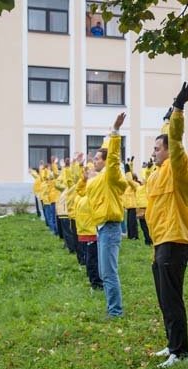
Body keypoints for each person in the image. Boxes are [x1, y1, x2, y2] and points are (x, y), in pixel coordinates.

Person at [145, 81, 188, 368]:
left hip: (175, 240)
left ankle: (180, 352)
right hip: (160, 242)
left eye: (157, 148)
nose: (153, 152)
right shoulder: (156, 174)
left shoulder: (178, 170)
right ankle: (172, 345)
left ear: (168, 151)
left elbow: (175, 142)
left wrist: (177, 109)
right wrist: (167, 115)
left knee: (173, 299)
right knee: (164, 299)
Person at [85, 112, 128, 318]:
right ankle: (113, 309)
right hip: (101, 227)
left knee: (109, 273)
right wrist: (107, 137)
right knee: (104, 273)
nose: (93, 161)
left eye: (96, 159)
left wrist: (115, 132)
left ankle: (115, 312)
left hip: (110, 227)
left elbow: (111, 157)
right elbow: (105, 152)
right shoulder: (99, 177)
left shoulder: (110, 176)